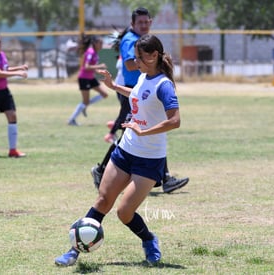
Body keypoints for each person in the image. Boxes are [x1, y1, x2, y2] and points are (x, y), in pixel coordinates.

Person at [55, 34, 181, 266]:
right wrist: (114, 87)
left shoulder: (164, 85)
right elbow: (136, 95)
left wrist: (144, 131)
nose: (135, 62)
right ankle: (74, 250)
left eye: (140, 58)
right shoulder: (144, 76)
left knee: (124, 212)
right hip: (125, 150)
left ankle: (149, 239)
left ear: (154, 56)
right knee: (103, 200)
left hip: (149, 159)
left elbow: (175, 121)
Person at [91, 7, 189, 194]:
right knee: (132, 130)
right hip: (136, 93)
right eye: (140, 23)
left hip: (143, 92)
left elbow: (172, 121)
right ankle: (103, 169)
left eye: (146, 22)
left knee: (143, 129)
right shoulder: (131, 41)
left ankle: (164, 176)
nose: (144, 25)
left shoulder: (154, 73)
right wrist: (147, 63)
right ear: (132, 24)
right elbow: (128, 63)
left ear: (151, 22)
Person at [67, 35, 109, 126]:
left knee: (104, 94)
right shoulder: (91, 52)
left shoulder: (95, 52)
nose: (102, 45)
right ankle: (71, 120)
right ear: (95, 43)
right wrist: (99, 66)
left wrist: (99, 71)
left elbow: (91, 67)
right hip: (84, 78)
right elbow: (86, 67)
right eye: (100, 43)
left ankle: (85, 105)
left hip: (90, 78)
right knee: (85, 101)